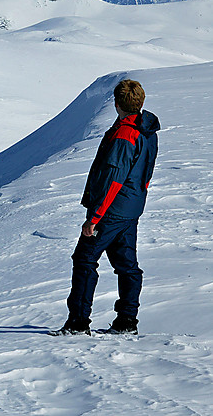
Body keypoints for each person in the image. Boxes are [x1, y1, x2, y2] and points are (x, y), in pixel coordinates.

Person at [51, 79, 160, 336]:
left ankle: (78, 323)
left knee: (85, 259)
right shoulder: (145, 131)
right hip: (130, 208)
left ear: (117, 103)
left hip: (112, 210)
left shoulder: (125, 135)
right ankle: (126, 321)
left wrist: (95, 217)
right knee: (126, 265)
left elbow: (114, 178)